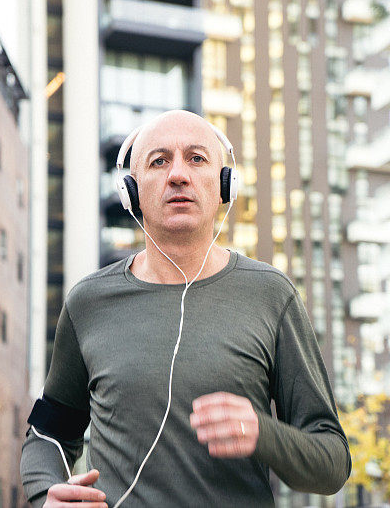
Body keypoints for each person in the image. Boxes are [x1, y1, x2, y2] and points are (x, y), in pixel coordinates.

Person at [20, 110, 351, 507]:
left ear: (224, 184)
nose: (178, 174)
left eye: (196, 158)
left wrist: (264, 433)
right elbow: (47, 436)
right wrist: (45, 497)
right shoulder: (87, 303)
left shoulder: (271, 294)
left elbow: (332, 461)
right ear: (132, 190)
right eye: (158, 161)